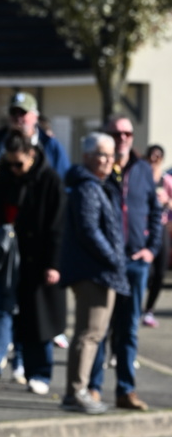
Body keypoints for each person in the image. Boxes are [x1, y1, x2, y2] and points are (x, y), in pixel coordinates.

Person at [0, 130, 65, 394]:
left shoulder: (50, 181)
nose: (14, 169)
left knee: (37, 319)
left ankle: (40, 373)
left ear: (32, 155)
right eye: (9, 163)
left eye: (19, 164)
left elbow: (58, 226)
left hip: (37, 261)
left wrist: (53, 264)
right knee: (0, 308)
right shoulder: (2, 178)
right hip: (5, 259)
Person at [88, 116, 162, 410]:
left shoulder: (142, 169)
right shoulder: (99, 170)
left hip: (135, 262)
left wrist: (150, 250)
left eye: (127, 133)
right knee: (99, 329)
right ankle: (93, 388)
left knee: (128, 330)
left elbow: (155, 212)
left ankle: (126, 390)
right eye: (116, 133)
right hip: (105, 264)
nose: (122, 138)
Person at [60, 134, 129, 414]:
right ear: (87, 156)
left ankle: (79, 390)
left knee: (94, 334)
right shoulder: (87, 188)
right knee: (89, 334)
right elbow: (89, 230)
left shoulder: (98, 185)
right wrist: (113, 258)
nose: (109, 160)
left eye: (111, 155)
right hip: (93, 271)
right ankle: (76, 392)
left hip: (101, 271)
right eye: (102, 154)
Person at [0, 90, 70, 180]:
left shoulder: (50, 144)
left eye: (22, 112)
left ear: (35, 116)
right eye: (13, 112)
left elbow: (62, 178)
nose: (18, 117)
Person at [142, 144, 172, 327]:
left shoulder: (166, 180)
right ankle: (135, 306)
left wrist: (167, 201)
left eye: (158, 156)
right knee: (146, 272)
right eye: (151, 155)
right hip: (143, 228)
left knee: (160, 272)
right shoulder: (142, 178)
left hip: (160, 228)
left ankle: (149, 310)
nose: (154, 159)